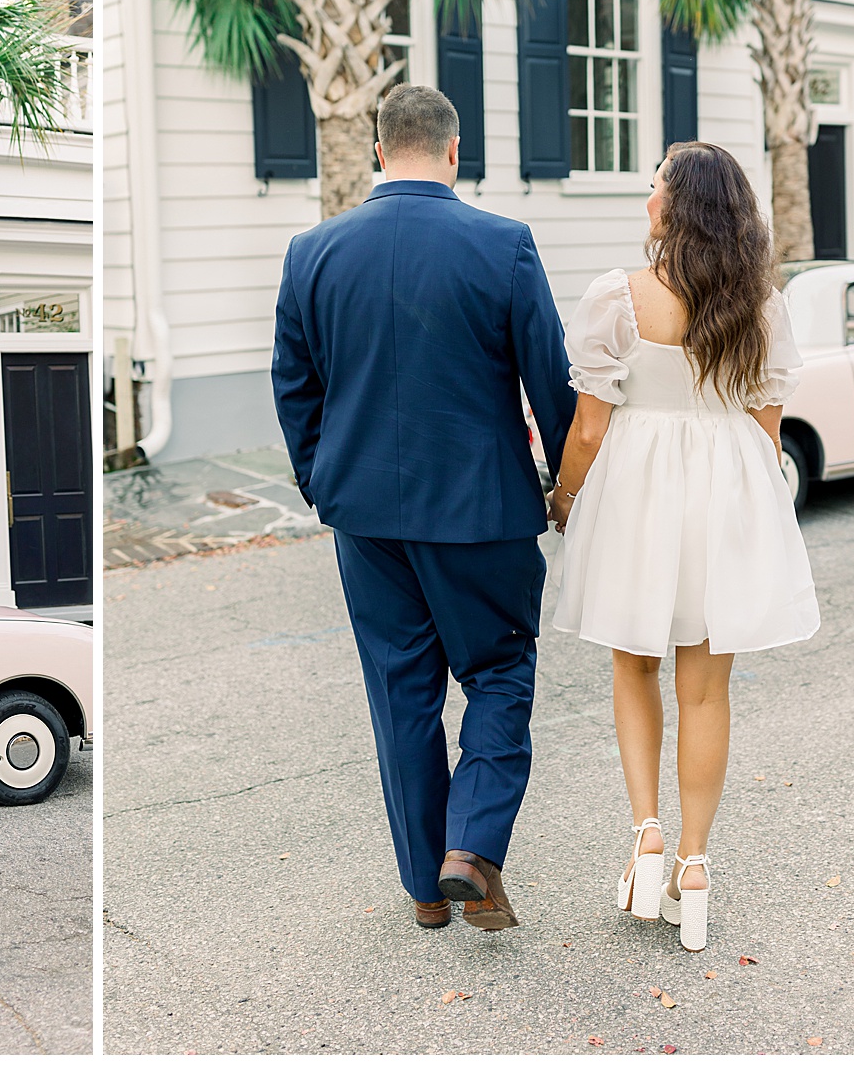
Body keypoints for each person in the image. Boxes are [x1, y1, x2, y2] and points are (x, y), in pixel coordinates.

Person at [272, 84, 577, 933]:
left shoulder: (312, 253)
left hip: (365, 517)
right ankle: (471, 853)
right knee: (499, 673)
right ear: (454, 150)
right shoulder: (504, 245)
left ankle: (422, 888)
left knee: (401, 695)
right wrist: (564, 484)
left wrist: (322, 480)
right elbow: (549, 382)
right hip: (485, 512)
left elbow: (294, 390)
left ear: (378, 152)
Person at [550, 141, 820, 952]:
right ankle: (696, 866)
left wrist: (564, 498)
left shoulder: (620, 297)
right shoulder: (760, 303)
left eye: (656, 190)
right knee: (706, 688)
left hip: (639, 488)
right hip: (729, 486)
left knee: (634, 662)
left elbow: (590, 427)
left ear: (680, 206)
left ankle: (648, 837)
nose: (647, 203)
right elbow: (767, 425)